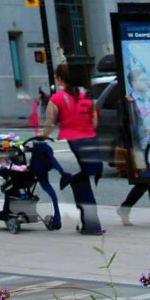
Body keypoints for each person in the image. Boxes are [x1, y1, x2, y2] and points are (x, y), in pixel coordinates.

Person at [42, 63, 103, 235]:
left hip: (73, 145)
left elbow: (50, 124)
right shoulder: (86, 98)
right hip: (92, 144)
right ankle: (89, 223)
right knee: (84, 182)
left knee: (80, 185)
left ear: (60, 79)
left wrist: (42, 137)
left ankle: (91, 225)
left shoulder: (57, 99)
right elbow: (94, 123)